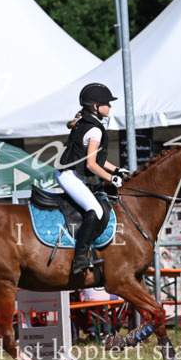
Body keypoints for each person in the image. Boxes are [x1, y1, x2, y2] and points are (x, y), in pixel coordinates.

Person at [56, 83, 130, 275]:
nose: (110, 107)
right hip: (68, 175)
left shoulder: (87, 122)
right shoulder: (94, 130)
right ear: (95, 107)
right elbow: (91, 165)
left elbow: (98, 160)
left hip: (70, 173)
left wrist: (118, 170)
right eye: (106, 103)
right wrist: (112, 179)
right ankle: (80, 258)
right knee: (95, 210)